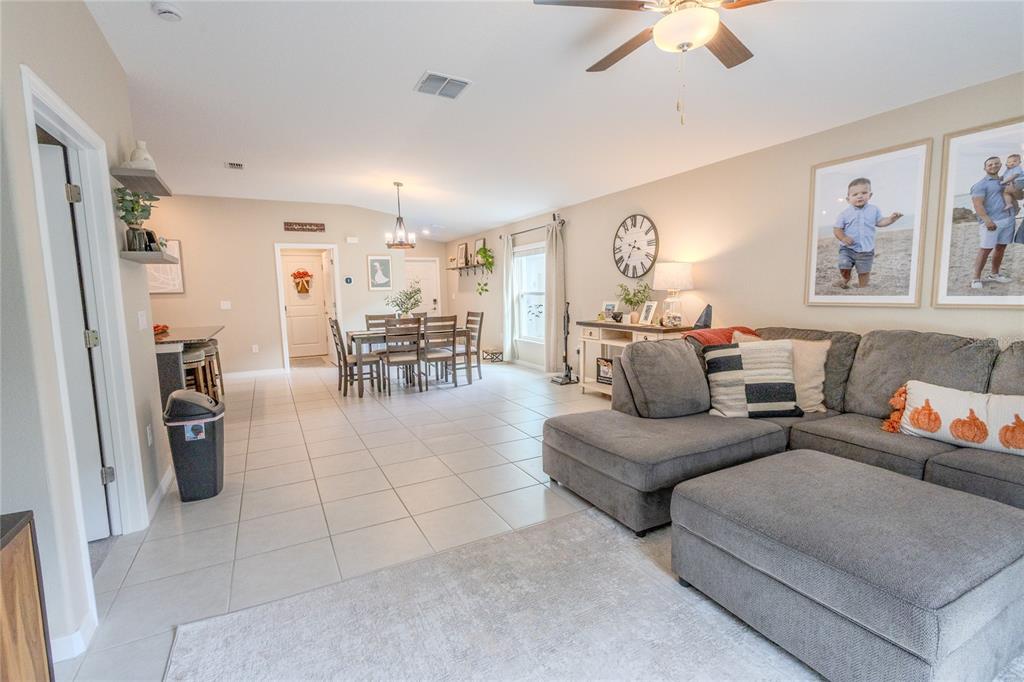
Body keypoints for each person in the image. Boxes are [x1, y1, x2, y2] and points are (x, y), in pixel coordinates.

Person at [832, 177, 903, 289]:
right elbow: (837, 229)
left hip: (866, 249)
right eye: (855, 194)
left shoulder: (874, 210)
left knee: (864, 272)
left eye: (864, 193)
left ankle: (862, 287)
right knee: (844, 265)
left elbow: (880, 222)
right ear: (848, 199)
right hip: (848, 248)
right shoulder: (844, 214)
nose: (860, 196)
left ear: (870, 195)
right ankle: (845, 279)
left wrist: (891, 219)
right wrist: (843, 237)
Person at [971, 156, 1014, 289]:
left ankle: (994, 274)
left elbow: (1015, 195)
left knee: (1001, 248)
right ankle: (976, 278)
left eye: (996, 164)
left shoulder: (1004, 181)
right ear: (985, 168)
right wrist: (987, 220)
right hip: (991, 222)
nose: (993, 166)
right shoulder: (980, 185)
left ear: (1000, 165)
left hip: (1007, 220)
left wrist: (1013, 188)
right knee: (985, 249)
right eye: (990, 165)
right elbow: (977, 205)